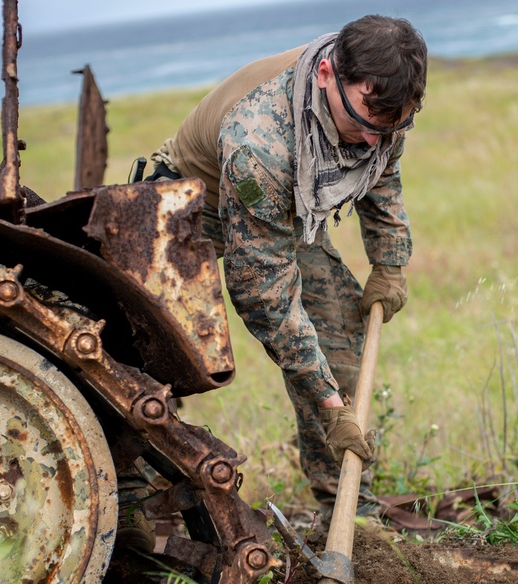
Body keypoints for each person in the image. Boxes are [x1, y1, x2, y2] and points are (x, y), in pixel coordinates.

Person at [148, 14, 427, 518]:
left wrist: (390, 262)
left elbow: (381, 173)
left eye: (391, 126)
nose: (371, 140)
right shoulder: (259, 144)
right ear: (325, 74)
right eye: (365, 123)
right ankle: (145, 504)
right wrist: (327, 401)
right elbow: (265, 295)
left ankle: (346, 506)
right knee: (158, 363)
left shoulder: (383, 103)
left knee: (339, 329)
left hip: (284, 207)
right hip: (190, 211)